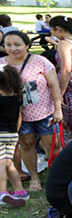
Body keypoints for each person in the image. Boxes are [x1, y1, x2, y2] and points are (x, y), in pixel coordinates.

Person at [1, 31, 62, 191]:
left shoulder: (41, 62)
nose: (13, 48)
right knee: (26, 144)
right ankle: (34, 177)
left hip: (45, 112)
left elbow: (54, 86)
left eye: (17, 44)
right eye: (8, 45)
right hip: (19, 116)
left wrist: (58, 109)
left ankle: (57, 175)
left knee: (53, 145)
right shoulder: (1, 64)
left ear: (27, 45)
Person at [0, 65, 27, 207]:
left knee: (1, 164)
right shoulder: (17, 99)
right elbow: (19, 117)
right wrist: (15, 132)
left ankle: (2, 192)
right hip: (12, 135)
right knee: (8, 163)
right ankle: (20, 191)